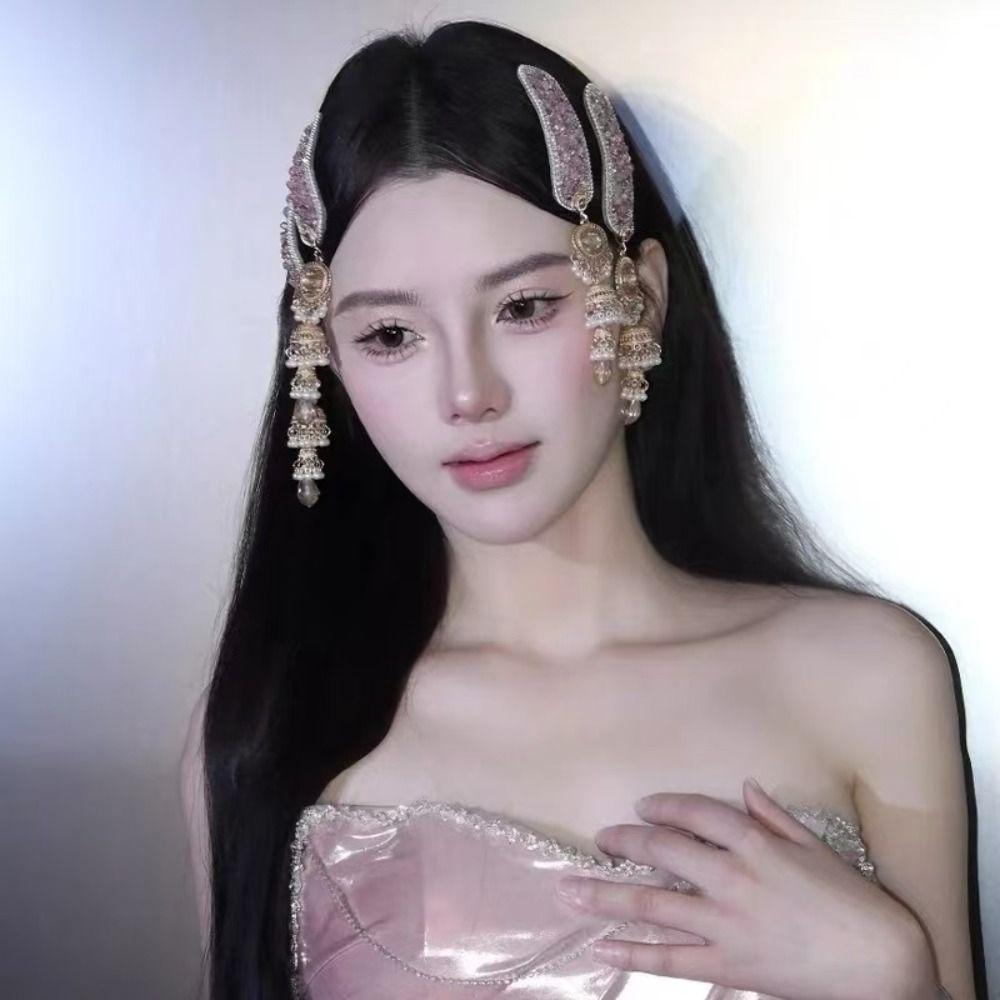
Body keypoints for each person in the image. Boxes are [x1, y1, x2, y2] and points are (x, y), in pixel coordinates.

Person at [180, 18, 976, 1000]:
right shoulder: (270, 729)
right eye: (390, 334)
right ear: (326, 363)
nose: (467, 393)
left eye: (524, 307)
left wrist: (891, 975)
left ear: (641, 301)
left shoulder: (868, 675)